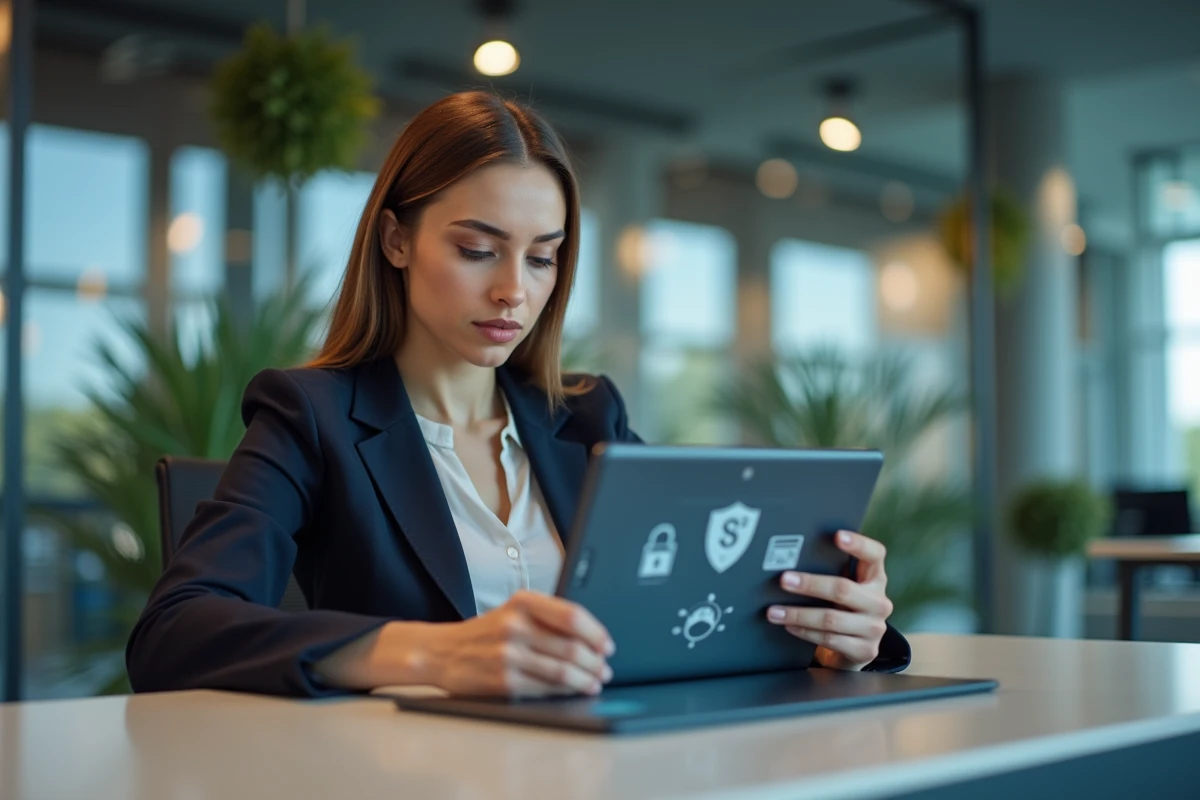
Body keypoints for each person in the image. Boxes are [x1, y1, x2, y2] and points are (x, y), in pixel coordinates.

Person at [126, 91, 908, 699]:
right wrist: (431, 651)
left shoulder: (588, 417)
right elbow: (174, 632)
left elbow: (685, 621)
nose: (512, 291)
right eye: (477, 250)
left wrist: (838, 634)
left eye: (543, 259)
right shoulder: (312, 416)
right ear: (396, 240)